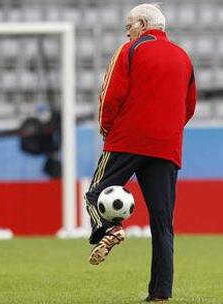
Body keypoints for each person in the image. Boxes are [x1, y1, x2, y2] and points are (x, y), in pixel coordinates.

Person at [84, 3, 196, 302]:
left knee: (95, 194)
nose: (127, 30)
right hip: (166, 146)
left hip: (127, 139)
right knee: (163, 224)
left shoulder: (130, 50)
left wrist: (107, 130)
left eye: (130, 25)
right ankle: (160, 293)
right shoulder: (184, 57)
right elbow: (189, 106)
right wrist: (166, 131)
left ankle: (109, 229)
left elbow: (110, 95)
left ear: (144, 23)